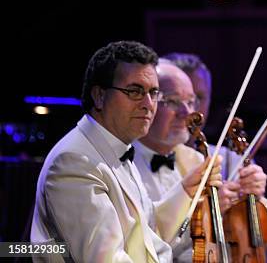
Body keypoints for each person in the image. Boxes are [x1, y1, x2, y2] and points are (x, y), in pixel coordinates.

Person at [30, 41, 222, 262]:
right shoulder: (73, 161)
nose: (148, 104)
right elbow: (105, 259)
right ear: (100, 96)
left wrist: (187, 190)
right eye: (134, 91)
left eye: (154, 93)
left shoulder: (117, 146)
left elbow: (143, 233)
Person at [134, 59, 267, 262]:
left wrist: (251, 199)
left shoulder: (196, 159)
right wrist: (205, 214)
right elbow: (141, 244)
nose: (188, 113)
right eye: (172, 101)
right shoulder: (122, 163)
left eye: (191, 101)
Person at [163, 52, 267, 202]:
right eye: (174, 100)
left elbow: (261, 224)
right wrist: (209, 210)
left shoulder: (231, 159)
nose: (189, 110)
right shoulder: (144, 161)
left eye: (197, 98)